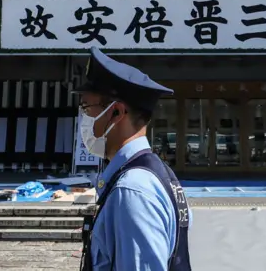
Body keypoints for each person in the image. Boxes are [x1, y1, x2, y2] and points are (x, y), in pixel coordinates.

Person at [76, 47, 191, 271]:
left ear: (116, 113)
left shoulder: (132, 190)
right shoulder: (156, 173)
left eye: (87, 108)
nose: (84, 118)